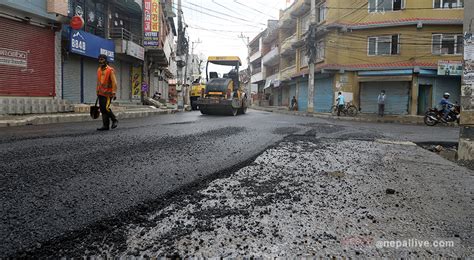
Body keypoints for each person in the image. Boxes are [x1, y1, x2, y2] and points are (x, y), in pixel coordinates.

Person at [96, 54, 118, 131]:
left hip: (108, 94)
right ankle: (105, 126)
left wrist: (114, 92)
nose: (100, 61)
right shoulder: (98, 70)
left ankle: (114, 119)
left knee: (106, 108)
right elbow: (99, 82)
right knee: (102, 109)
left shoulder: (110, 70)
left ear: (106, 60)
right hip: (101, 93)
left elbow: (114, 82)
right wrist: (97, 91)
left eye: (102, 59)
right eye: (99, 59)